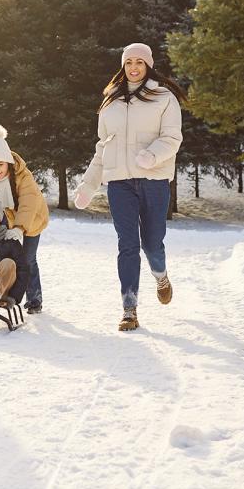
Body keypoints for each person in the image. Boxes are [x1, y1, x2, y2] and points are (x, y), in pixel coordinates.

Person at [74, 43, 185, 331]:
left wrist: (152, 155)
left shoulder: (164, 97)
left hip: (153, 180)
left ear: (148, 65)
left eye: (139, 62)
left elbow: (172, 138)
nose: (133, 67)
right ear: (123, 66)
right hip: (119, 183)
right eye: (128, 62)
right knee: (127, 245)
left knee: (152, 243)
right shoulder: (110, 101)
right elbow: (103, 147)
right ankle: (129, 308)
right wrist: (89, 184)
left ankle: (160, 275)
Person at [0, 125, 49, 313]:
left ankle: (34, 299)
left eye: (0, 164)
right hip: (8, 224)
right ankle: (5, 296)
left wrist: (19, 228)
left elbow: (28, 204)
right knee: (6, 259)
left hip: (32, 221)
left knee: (27, 259)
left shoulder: (22, 176)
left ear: (8, 162)